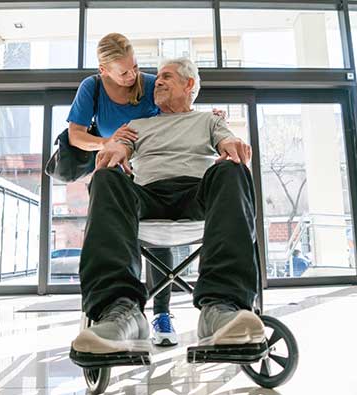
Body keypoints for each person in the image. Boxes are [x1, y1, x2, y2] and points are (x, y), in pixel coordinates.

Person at [71, 57, 264, 356]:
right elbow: (120, 147)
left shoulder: (209, 120)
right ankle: (119, 311)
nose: (157, 81)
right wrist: (113, 149)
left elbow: (227, 140)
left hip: (196, 194)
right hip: (147, 197)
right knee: (107, 178)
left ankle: (221, 308)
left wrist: (232, 146)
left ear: (189, 85)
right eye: (158, 77)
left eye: (167, 77)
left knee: (232, 169)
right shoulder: (137, 125)